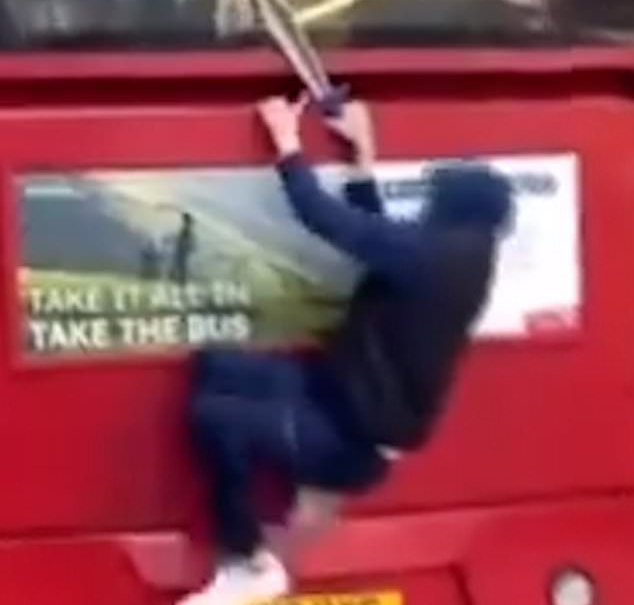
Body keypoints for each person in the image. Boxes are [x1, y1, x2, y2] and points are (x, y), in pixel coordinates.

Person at [180, 96, 514, 605]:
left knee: (213, 416)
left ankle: (248, 561)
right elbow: (377, 240)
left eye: (433, 198)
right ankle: (277, 514)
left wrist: (287, 144)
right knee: (218, 364)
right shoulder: (463, 250)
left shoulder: (438, 255)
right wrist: (363, 156)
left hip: (350, 440)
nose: (425, 206)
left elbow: (328, 220)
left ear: (449, 206)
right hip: (334, 394)